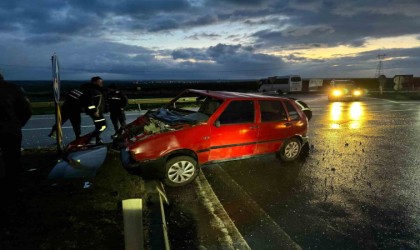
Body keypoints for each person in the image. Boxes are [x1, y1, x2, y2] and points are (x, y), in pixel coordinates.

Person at [0, 73, 32, 196]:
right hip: (10, 131)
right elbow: (27, 110)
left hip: (10, 129)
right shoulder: (14, 88)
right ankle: (13, 188)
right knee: (12, 161)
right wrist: (17, 124)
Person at [80, 76, 107, 144]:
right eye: (100, 82)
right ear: (94, 82)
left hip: (97, 112)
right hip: (95, 112)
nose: (101, 83)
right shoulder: (91, 90)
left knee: (99, 126)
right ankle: (91, 138)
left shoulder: (96, 90)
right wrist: (94, 111)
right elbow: (89, 102)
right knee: (103, 126)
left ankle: (98, 140)